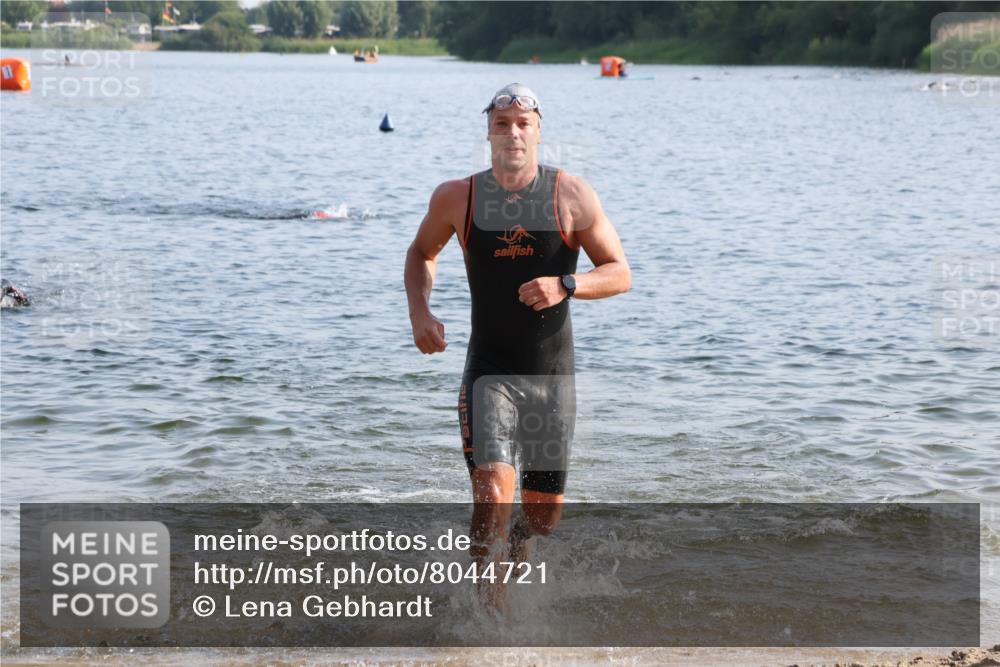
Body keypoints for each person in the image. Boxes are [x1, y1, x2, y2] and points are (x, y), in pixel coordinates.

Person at [404, 83, 631, 606]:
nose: (512, 134)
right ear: (488, 132)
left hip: (550, 380)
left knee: (541, 517)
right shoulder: (456, 198)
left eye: (522, 125)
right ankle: (490, 619)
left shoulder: (571, 196)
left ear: (538, 133)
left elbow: (620, 273)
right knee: (491, 496)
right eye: (502, 124)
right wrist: (421, 311)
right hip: (490, 372)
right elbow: (420, 253)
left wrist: (566, 284)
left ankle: (519, 551)